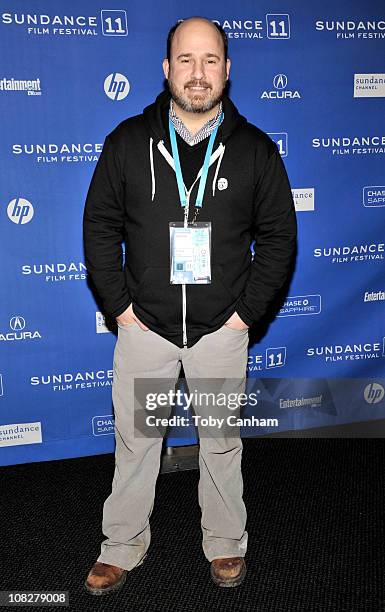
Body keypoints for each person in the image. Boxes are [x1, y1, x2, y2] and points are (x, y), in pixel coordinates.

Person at [83, 16, 297, 594]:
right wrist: (121, 308)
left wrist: (243, 315)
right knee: (138, 443)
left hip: (220, 332)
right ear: (166, 69)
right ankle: (122, 545)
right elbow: (101, 225)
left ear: (227, 69)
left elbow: (279, 237)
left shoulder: (254, 151)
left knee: (222, 444)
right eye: (185, 60)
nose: (197, 74)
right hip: (145, 329)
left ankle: (225, 544)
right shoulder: (128, 142)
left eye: (209, 61)